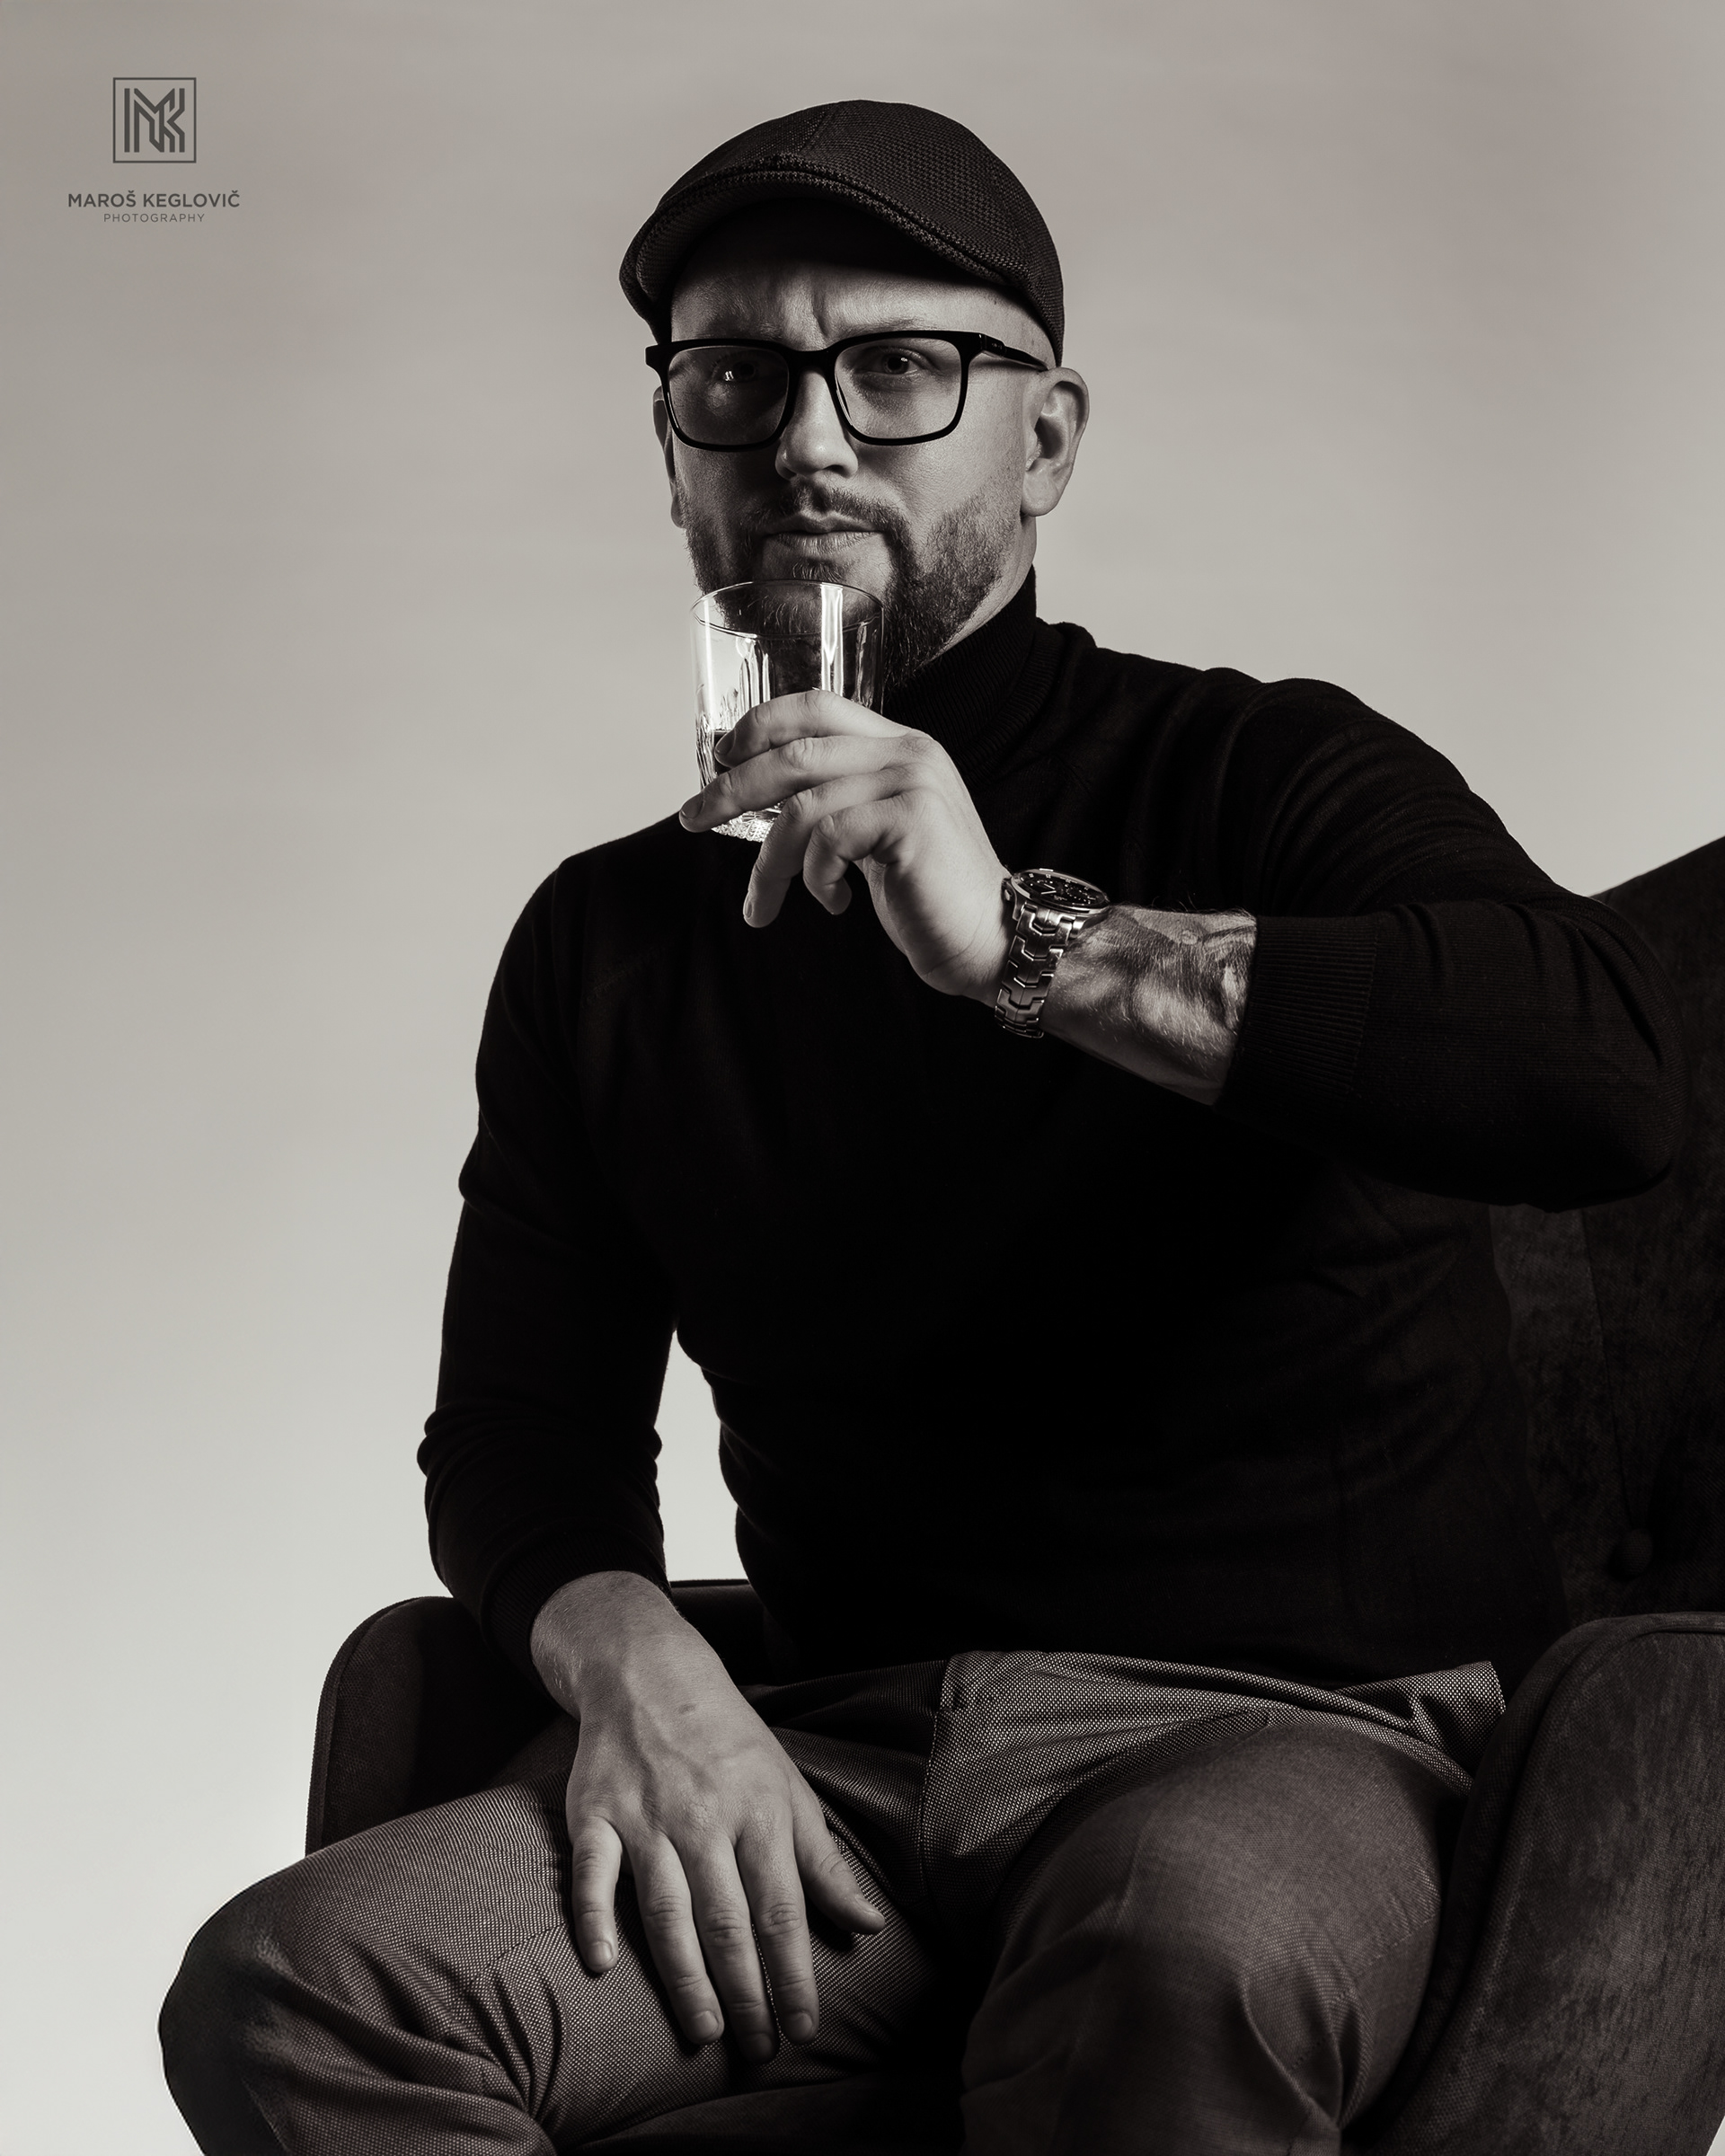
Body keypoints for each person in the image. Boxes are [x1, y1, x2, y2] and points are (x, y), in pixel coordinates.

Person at [161, 101, 1685, 2155]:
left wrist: (1033, 945)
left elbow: (1605, 1075)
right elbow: (520, 1436)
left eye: (898, 369)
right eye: (736, 377)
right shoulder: (609, 941)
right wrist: (641, 1673)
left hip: (1288, 1738)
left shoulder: (1256, 771)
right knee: (306, 1991)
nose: (808, 440)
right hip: (832, 1765)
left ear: (1045, 442)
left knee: (1175, 1950)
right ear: (675, 449)